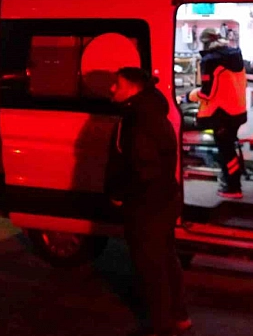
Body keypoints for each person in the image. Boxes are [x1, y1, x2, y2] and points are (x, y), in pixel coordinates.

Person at [107, 67, 190, 336]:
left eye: (117, 84)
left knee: (151, 267)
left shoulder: (136, 119)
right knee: (166, 258)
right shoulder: (153, 112)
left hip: (146, 203)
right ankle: (179, 315)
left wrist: (119, 194)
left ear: (133, 88)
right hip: (165, 197)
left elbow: (141, 165)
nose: (112, 89)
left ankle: (162, 326)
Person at [182, 28, 247, 198]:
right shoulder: (235, 55)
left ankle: (233, 188)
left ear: (205, 42)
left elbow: (207, 93)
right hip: (237, 111)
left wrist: (188, 96)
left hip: (221, 115)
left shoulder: (210, 60)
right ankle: (232, 182)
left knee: (226, 151)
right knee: (229, 148)